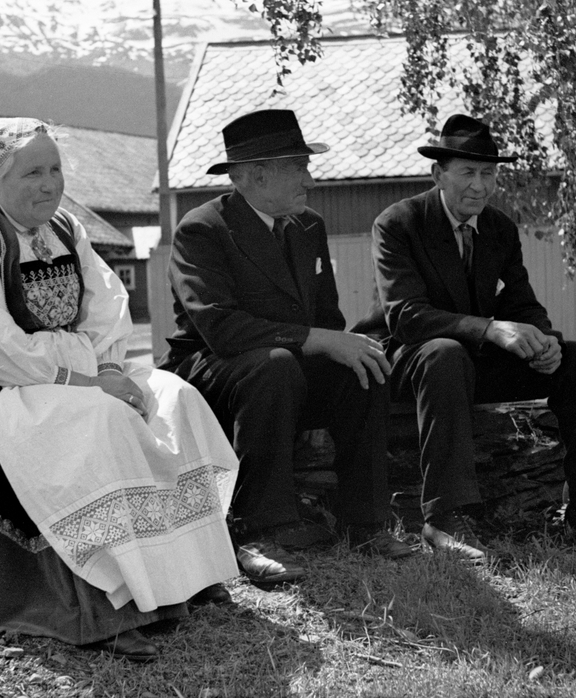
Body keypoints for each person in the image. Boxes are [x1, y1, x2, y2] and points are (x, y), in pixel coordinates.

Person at [0, 116, 240, 662]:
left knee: (176, 398)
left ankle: (187, 574)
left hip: (76, 372)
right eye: (33, 172)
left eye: (55, 169)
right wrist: (87, 377)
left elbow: (107, 306)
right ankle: (111, 603)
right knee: (103, 420)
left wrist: (106, 369)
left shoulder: (65, 230)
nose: (50, 184)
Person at [352, 114, 576, 560]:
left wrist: (545, 341)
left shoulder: (499, 228)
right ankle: (443, 520)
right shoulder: (399, 223)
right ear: (438, 174)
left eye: (489, 173)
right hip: (405, 360)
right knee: (444, 353)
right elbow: (407, 317)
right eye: (468, 173)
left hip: (465, 360)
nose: (480, 185)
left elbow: (521, 304)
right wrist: (490, 329)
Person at [161, 109, 413, 586]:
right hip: (214, 371)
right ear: (256, 175)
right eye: (299, 167)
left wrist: (339, 346)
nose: (310, 180)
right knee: (275, 365)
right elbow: (221, 329)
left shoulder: (307, 226)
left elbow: (327, 319)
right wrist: (316, 340)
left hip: (281, 365)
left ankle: (364, 522)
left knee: (362, 363)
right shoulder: (203, 229)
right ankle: (258, 532)